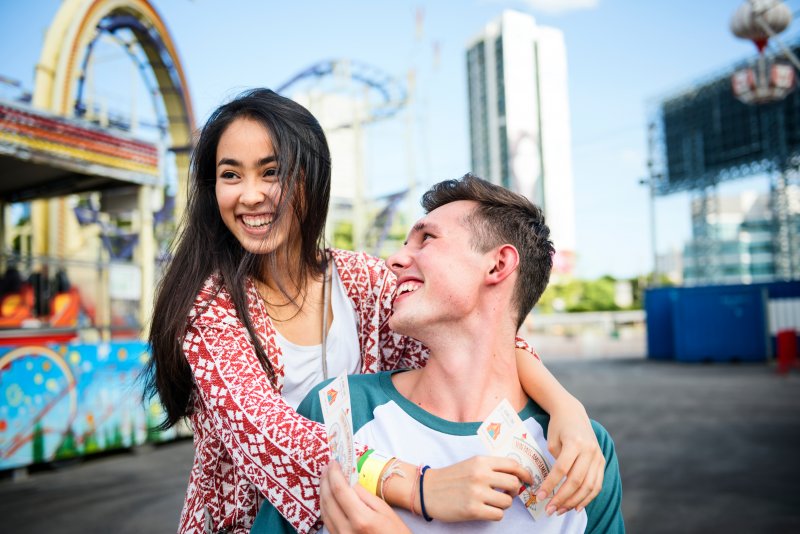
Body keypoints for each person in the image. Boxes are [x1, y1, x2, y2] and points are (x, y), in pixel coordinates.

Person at [143, 89, 606, 534]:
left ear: (311, 177)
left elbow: (485, 339)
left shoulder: (361, 279)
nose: (249, 195)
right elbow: (268, 435)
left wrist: (567, 408)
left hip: (372, 519)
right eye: (230, 175)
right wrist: (422, 486)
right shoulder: (208, 306)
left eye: (271, 172)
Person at [253, 174, 623, 533]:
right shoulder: (337, 410)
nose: (394, 260)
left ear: (497, 265)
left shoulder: (580, 452)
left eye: (426, 239)